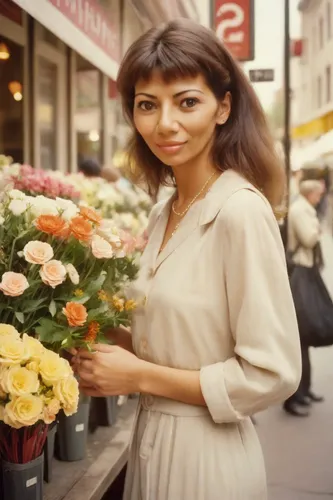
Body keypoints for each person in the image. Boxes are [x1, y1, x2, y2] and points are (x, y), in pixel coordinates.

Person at [74, 19, 301, 500]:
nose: (165, 124)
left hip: (210, 459)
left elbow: (272, 373)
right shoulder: (164, 210)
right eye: (147, 105)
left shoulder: (239, 211)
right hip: (149, 442)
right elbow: (167, 337)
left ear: (224, 107)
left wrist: (137, 376)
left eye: (187, 101)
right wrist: (73, 316)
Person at [283, 180, 324, 417]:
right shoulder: (300, 211)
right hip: (300, 276)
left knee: (304, 337)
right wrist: (317, 229)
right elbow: (309, 238)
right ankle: (293, 396)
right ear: (311, 193)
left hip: (307, 272)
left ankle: (304, 390)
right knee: (299, 336)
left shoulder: (304, 210)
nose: (320, 197)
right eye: (319, 193)